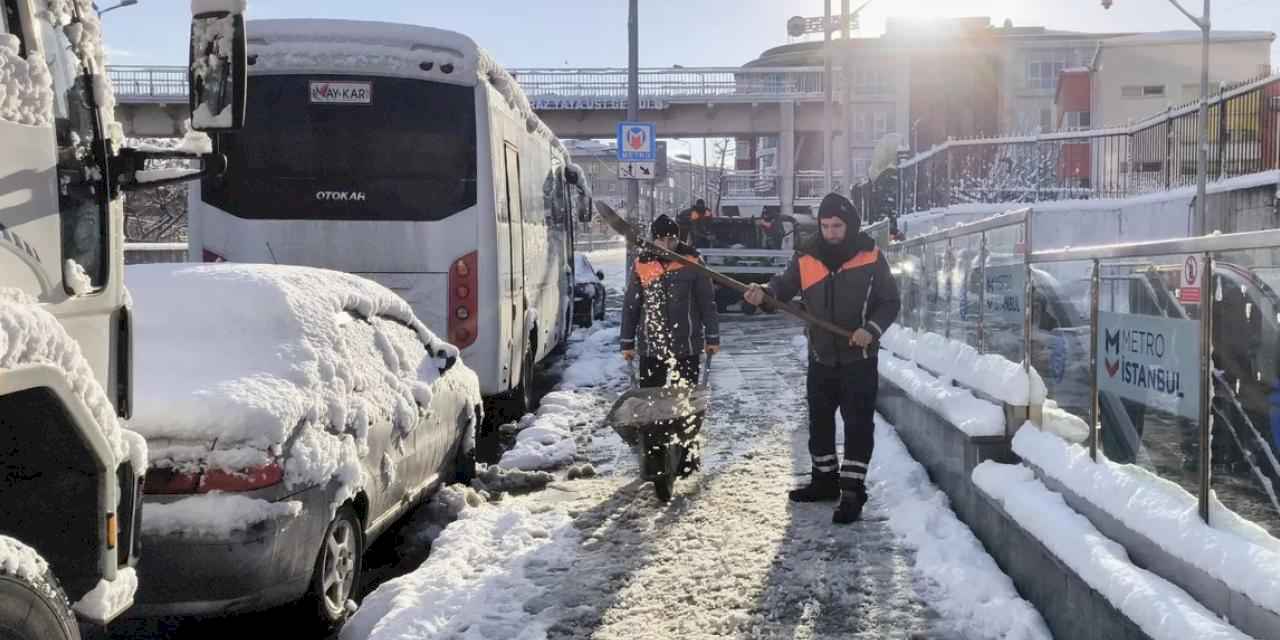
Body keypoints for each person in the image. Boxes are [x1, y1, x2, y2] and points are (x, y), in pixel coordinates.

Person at [744, 193, 900, 524]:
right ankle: (824, 480)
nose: (830, 233)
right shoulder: (807, 255)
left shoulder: (870, 255)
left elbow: (890, 301)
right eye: (825, 226)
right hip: (821, 356)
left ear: (850, 224)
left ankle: (853, 491)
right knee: (820, 422)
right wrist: (764, 294)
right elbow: (782, 287)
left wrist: (870, 329)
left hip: (859, 358)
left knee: (857, 425)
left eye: (837, 226)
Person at [621, 215, 721, 470]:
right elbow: (631, 306)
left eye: (672, 239)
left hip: (686, 345)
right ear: (653, 239)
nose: (667, 244)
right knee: (651, 403)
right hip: (651, 346)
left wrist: (712, 337)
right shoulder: (642, 264)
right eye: (661, 239)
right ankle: (654, 454)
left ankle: (686, 453)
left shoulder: (692, 262)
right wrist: (627, 342)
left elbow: (707, 303)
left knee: (685, 401)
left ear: (679, 238)